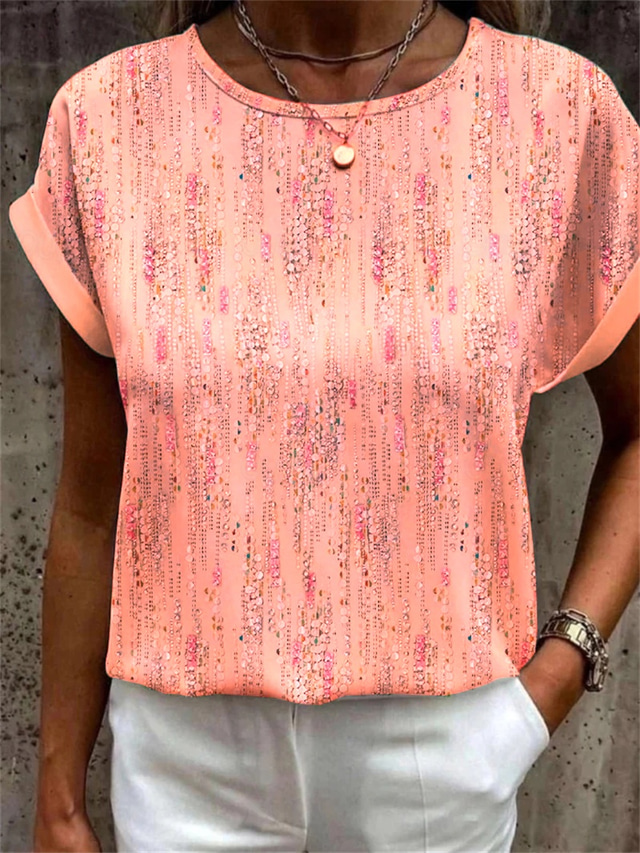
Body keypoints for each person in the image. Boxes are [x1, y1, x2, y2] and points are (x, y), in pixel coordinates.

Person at [8, 0, 639, 850]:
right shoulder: (110, 121)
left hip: (444, 749)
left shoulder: (555, 113)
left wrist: (557, 671)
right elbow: (90, 504)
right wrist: (58, 799)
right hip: (186, 763)